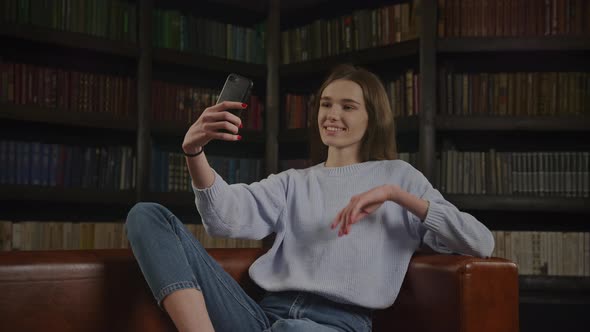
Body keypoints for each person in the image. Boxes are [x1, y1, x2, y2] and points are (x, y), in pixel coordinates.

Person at [125, 64, 494, 332]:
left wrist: (396, 195)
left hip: (336, 324)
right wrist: (195, 152)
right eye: (326, 104)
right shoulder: (293, 182)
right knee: (147, 216)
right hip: (261, 315)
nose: (332, 114)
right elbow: (224, 219)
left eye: (348, 106)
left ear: (373, 118)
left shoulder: (400, 178)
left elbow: (480, 242)